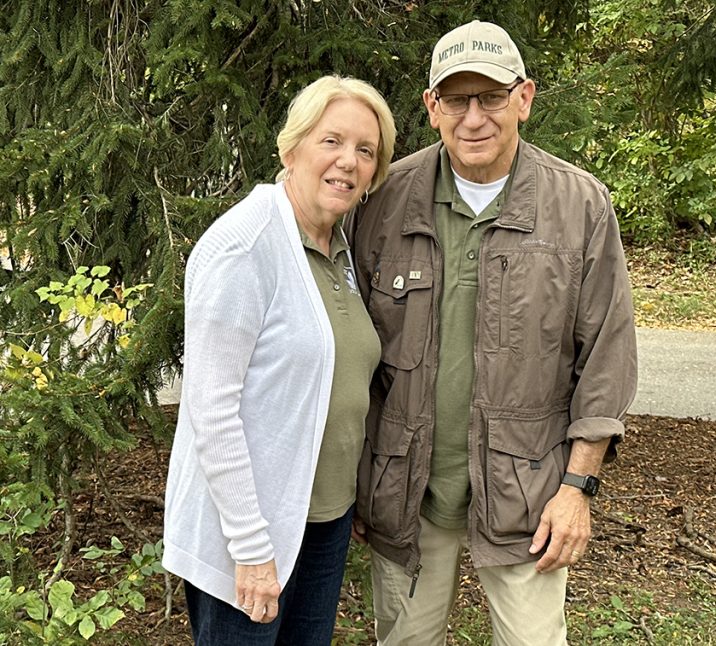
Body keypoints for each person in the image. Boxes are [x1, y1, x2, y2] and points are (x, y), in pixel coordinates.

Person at [350, 20, 637, 645]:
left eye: (492, 97)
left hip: (528, 498)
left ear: (524, 99)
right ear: (431, 108)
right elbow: (351, 353)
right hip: (407, 495)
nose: (473, 117)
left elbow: (607, 359)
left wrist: (577, 488)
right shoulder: (385, 201)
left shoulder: (579, 206)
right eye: (456, 99)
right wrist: (358, 480)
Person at [162, 75, 395, 645]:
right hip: (252, 537)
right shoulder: (244, 246)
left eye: (366, 151)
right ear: (292, 148)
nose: (348, 161)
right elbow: (210, 410)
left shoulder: (337, 247)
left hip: (323, 523)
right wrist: (251, 549)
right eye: (331, 141)